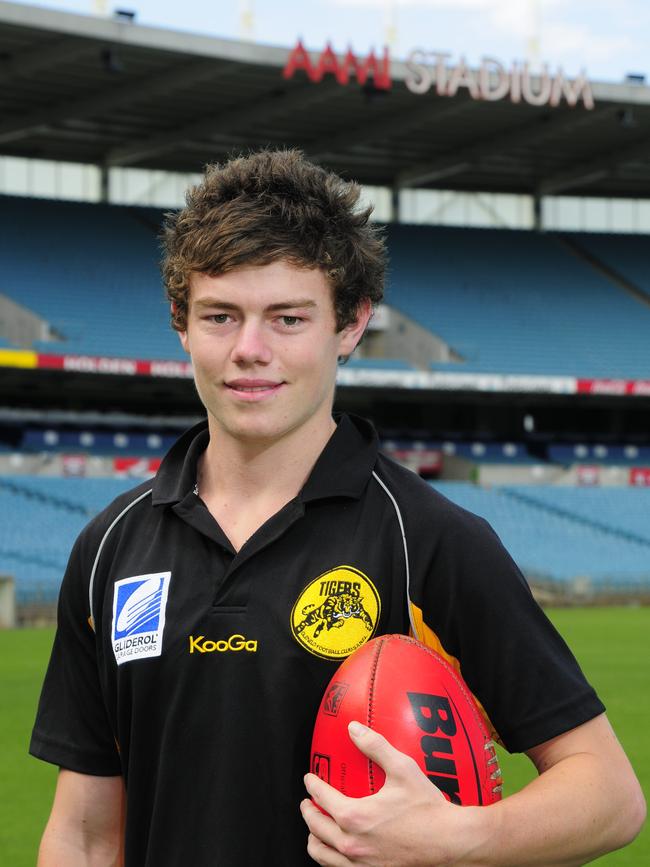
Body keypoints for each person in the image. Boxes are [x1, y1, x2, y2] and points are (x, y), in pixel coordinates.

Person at [31, 149, 645, 867]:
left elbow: (609, 793)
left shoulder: (431, 540)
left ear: (350, 325)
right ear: (180, 322)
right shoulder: (110, 547)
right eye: (221, 316)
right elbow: (83, 833)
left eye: (287, 318)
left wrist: (457, 838)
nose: (249, 350)